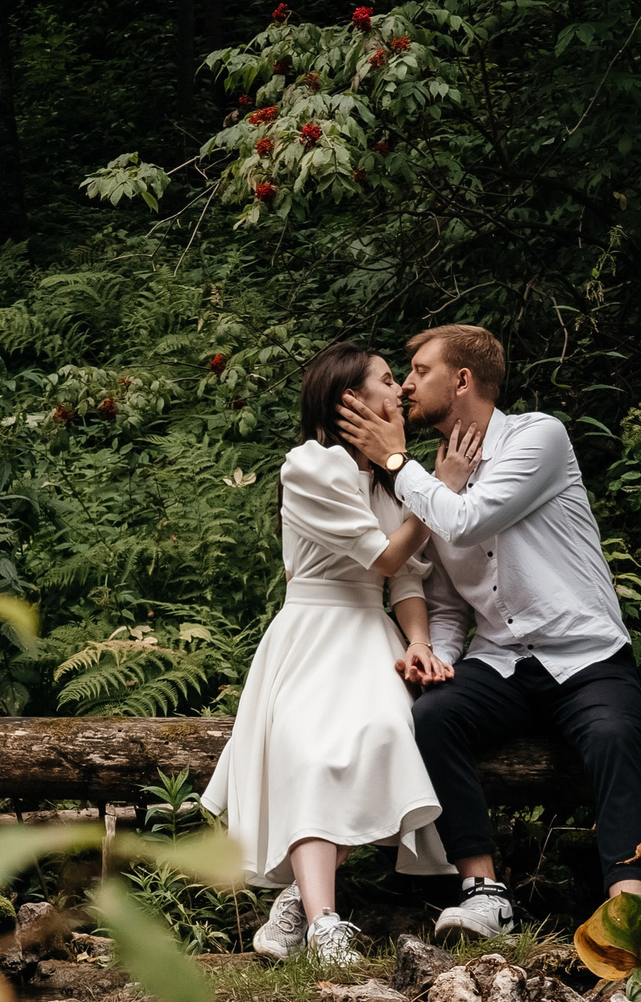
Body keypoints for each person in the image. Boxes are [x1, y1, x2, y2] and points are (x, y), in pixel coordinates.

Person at [336, 322, 641, 940]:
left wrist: (397, 462)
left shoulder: (538, 437)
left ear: (462, 380)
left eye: (419, 372)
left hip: (584, 654)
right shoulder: (433, 477)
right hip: (504, 660)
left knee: (614, 736)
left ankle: (628, 911)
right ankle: (484, 892)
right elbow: (451, 600)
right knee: (432, 715)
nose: (405, 387)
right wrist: (437, 657)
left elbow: (467, 519)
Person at [201, 343, 479, 965]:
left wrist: (418, 643)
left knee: (383, 738)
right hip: (313, 632)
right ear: (349, 399)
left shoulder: (390, 478)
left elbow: (405, 579)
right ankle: (327, 923)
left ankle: (297, 907)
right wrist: (442, 489)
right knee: (310, 750)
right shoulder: (309, 466)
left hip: (370, 633)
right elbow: (382, 556)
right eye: (388, 380)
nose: (402, 390)